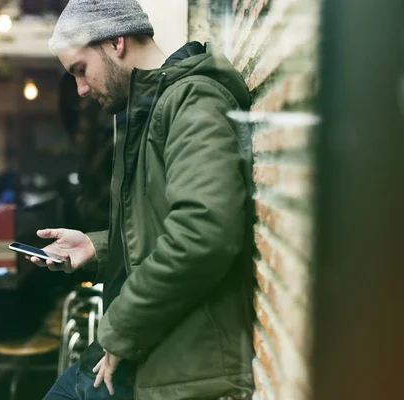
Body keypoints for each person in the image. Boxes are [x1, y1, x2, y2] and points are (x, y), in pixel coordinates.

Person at [30, 0, 256, 398]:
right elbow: (162, 226)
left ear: (116, 41)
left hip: (172, 368)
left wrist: (119, 329)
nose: (80, 90)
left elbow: (203, 234)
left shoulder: (192, 101)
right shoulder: (150, 107)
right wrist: (97, 247)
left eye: (81, 71)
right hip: (136, 357)